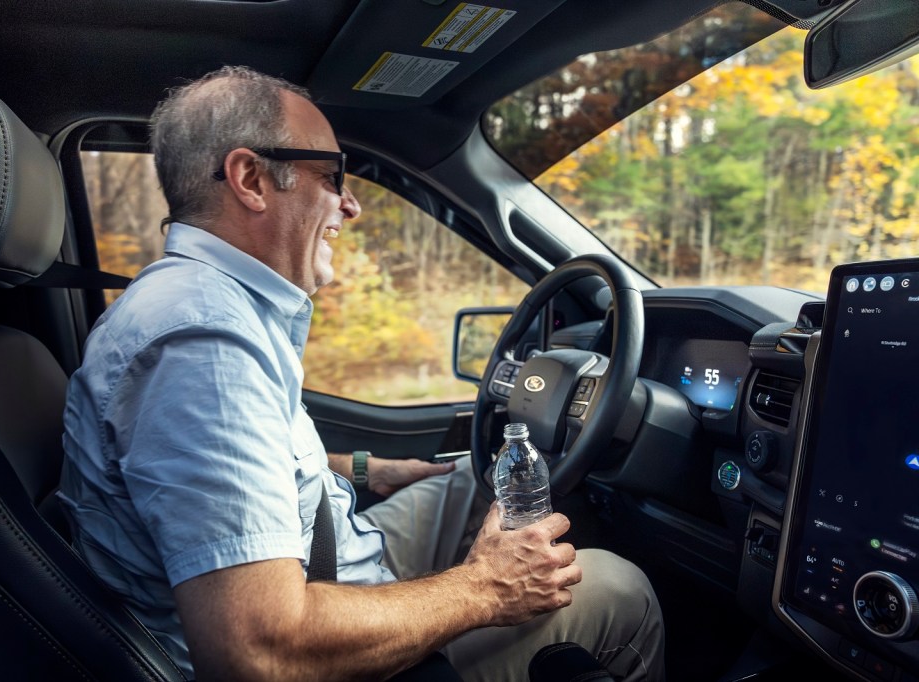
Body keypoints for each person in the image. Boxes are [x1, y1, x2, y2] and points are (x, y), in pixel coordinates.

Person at [59, 65, 665, 682]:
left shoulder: (205, 307)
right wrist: (485, 589)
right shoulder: (201, 346)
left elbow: (236, 470)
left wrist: (369, 470)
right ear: (251, 180)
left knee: (476, 476)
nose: (349, 204)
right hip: (312, 641)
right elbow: (261, 651)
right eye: (333, 176)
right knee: (620, 590)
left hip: (325, 554)